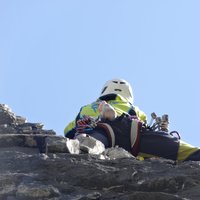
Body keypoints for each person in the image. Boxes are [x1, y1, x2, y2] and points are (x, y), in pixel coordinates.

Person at [64, 78, 200, 161]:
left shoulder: (86, 108)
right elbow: (144, 122)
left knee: (89, 143)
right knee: (177, 148)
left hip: (101, 130)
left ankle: (92, 144)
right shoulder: (133, 108)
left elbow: (68, 130)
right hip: (133, 133)